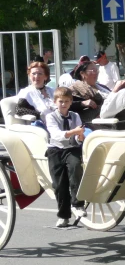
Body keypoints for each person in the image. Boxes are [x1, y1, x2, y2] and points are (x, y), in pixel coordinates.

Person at [45, 87, 87, 227]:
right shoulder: (50, 116)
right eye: (61, 101)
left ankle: (78, 204)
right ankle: (63, 215)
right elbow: (55, 134)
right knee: (59, 184)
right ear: (55, 102)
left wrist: (80, 136)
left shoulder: (75, 116)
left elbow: (78, 137)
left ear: (71, 102)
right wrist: (74, 132)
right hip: (55, 150)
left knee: (76, 169)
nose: (63, 104)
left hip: (71, 148)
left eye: (67, 101)